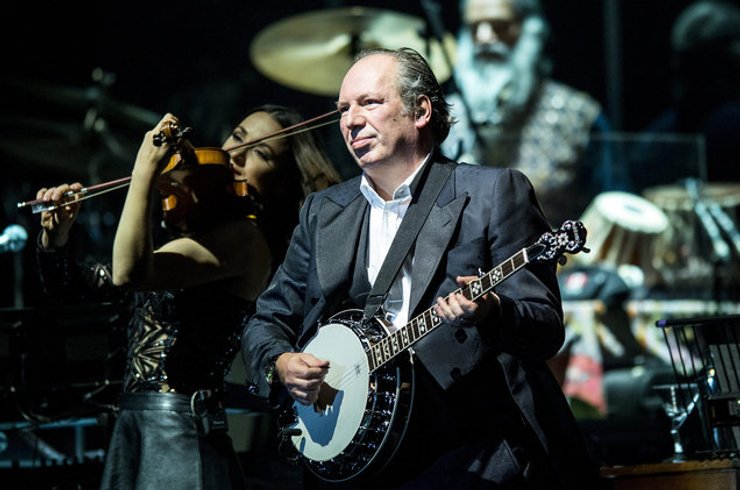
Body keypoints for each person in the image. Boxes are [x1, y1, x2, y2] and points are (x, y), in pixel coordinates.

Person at [242, 47, 600, 489]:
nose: (351, 121)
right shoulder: (323, 211)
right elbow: (267, 319)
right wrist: (280, 362)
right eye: (343, 109)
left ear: (421, 111)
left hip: (469, 452)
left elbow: (544, 327)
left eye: (369, 102)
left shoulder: (492, 193)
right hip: (354, 458)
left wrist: (492, 312)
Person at [35, 104, 341, 489]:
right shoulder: (201, 233)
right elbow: (81, 287)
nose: (236, 154)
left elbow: (129, 273)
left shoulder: (246, 241)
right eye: (238, 137)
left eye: (260, 153)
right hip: (139, 426)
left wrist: (145, 169)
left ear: (280, 182)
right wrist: (55, 239)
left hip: (178, 435)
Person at [441, 0, 626, 228]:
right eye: (473, 27)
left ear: (529, 30)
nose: (484, 37)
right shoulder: (443, 117)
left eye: (500, 26)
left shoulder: (580, 115)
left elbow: (616, 209)